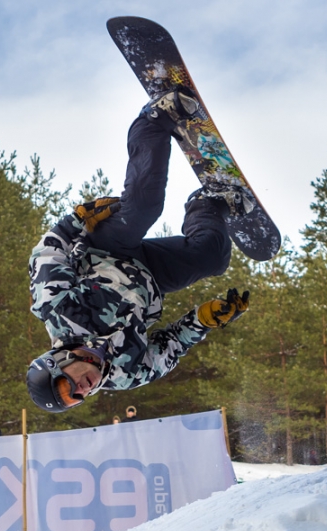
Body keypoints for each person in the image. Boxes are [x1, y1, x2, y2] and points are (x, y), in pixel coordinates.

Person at [25, 88, 252, 413]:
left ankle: (154, 119)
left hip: (106, 250)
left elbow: (47, 256)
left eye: (68, 385)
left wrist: (75, 220)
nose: (81, 392)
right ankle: (209, 204)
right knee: (213, 258)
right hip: (150, 277)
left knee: (144, 206)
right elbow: (170, 346)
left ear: (58, 361)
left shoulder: (58, 312)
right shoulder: (124, 373)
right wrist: (202, 321)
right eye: (74, 399)